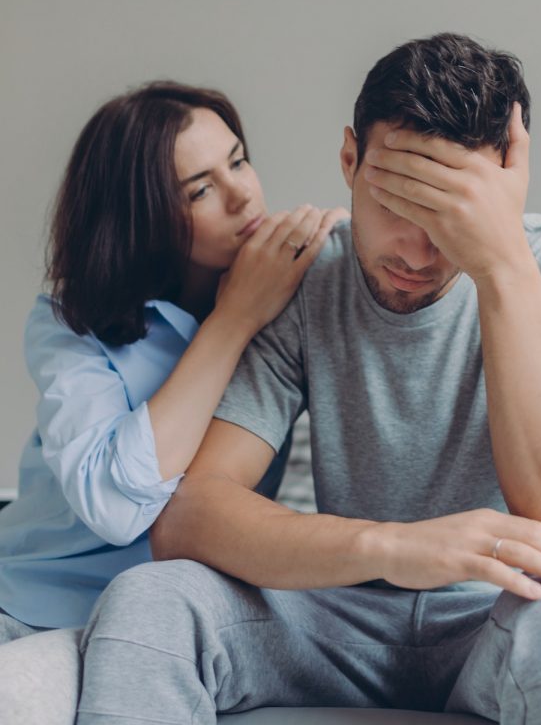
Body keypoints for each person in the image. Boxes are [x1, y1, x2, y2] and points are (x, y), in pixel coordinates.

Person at [77, 35, 541, 724]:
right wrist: (393, 547)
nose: (417, 252)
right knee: (149, 596)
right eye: (395, 206)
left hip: (502, 614)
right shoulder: (305, 275)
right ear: (350, 159)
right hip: (336, 610)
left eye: (448, 216)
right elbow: (189, 517)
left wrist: (501, 264)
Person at [0, 81, 344, 720]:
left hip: (183, 618)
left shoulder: (293, 295)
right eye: (201, 189)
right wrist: (234, 319)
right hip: (35, 609)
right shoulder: (69, 323)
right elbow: (115, 504)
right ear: (143, 216)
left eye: (239, 161)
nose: (244, 193)